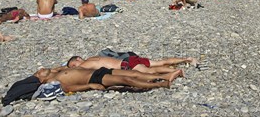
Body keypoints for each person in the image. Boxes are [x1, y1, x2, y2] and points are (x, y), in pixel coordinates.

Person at [33, 66, 181, 92]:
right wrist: (90, 86)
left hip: (98, 71)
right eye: (37, 72)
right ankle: (160, 85)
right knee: (127, 81)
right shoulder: (50, 81)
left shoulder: (56, 70)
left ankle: (163, 76)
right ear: (40, 79)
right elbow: (69, 88)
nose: (40, 70)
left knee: (132, 73)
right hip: (94, 78)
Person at [67, 54, 195, 74]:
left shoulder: (86, 64)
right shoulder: (93, 58)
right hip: (129, 59)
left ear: (79, 58)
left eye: (74, 64)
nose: (75, 67)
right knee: (160, 62)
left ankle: (174, 71)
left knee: (150, 72)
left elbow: (72, 72)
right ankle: (186, 59)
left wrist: (56, 70)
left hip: (126, 65)